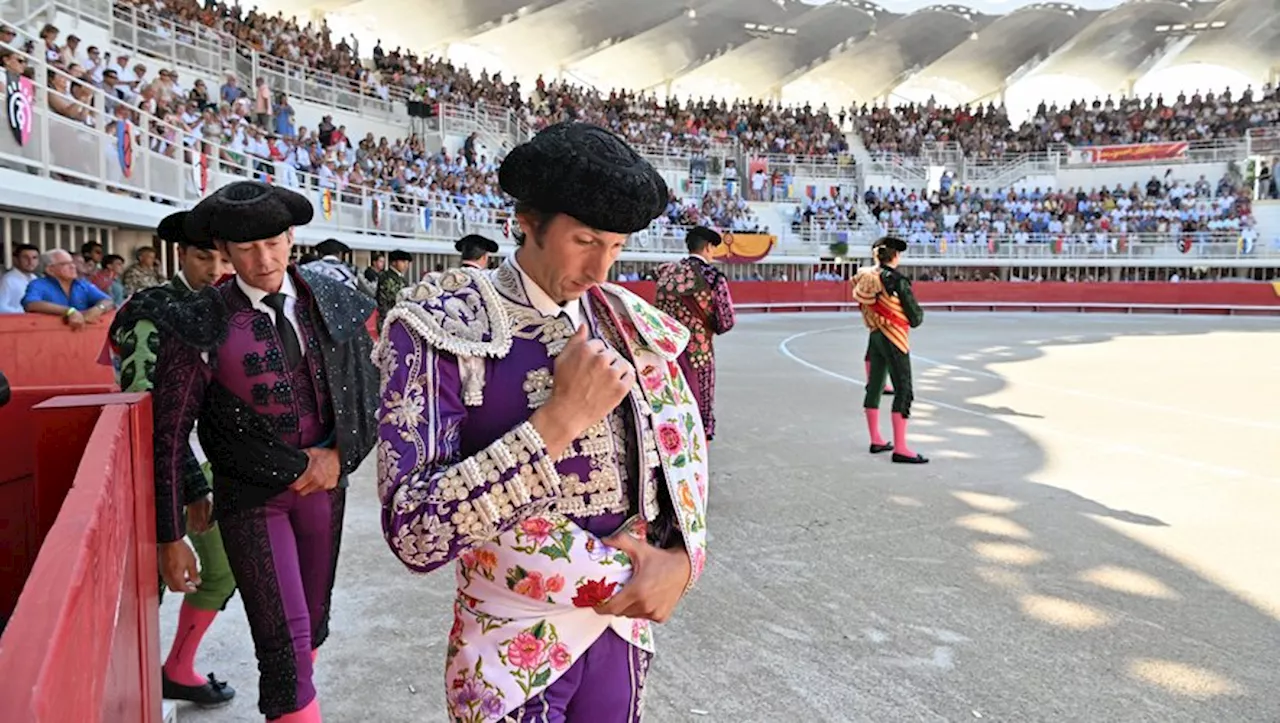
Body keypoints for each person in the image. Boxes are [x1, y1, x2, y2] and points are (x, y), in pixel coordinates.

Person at [375, 120, 711, 722]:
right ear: (526, 223)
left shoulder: (627, 319)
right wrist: (559, 420)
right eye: (585, 241)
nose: (602, 269)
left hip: (621, 630)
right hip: (508, 638)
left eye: (617, 246)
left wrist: (684, 562)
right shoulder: (440, 323)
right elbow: (415, 530)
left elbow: (680, 456)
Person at [149, 181, 380, 722]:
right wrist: (170, 535)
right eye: (246, 248)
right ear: (224, 252)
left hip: (324, 489)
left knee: (313, 623)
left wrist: (340, 458)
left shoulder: (332, 297)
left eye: (274, 242)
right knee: (282, 643)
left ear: (291, 237)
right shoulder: (200, 319)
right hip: (253, 497)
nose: (263, 259)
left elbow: (372, 390)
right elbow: (169, 431)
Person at [107, 211, 238, 707]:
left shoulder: (226, 307)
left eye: (224, 258)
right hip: (166, 469)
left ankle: (177, 668)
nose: (216, 269)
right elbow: (148, 412)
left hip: (209, 462)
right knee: (153, 587)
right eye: (205, 257)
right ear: (182, 256)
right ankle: (143, 688)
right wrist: (193, 484)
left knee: (221, 575)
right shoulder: (153, 312)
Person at [653, 225, 736, 440]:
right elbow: (725, 322)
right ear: (708, 247)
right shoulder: (712, 277)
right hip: (698, 352)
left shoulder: (665, 272)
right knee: (699, 404)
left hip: (666, 351)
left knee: (669, 403)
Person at [852, 236, 927, 464]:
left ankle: (876, 438)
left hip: (875, 335)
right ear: (895, 256)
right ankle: (901, 448)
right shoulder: (897, 280)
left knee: (874, 386)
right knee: (904, 389)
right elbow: (915, 318)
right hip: (894, 337)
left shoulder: (865, 276)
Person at [21, 248, 114, 327]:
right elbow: (31, 304)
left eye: (72, 263)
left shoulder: (82, 284)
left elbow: (109, 301)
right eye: (65, 264)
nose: (73, 266)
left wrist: (98, 309)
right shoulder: (38, 284)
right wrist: (69, 311)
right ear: (50, 270)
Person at [862, 238, 894, 397]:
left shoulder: (869, 273)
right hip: (884, 318)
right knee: (887, 352)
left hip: (874, 317)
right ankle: (877, 383)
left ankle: (873, 383)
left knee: (873, 351)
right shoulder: (884, 275)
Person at [375, 249, 411, 327]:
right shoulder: (387, 277)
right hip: (388, 317)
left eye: (407, 262)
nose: (406, 265)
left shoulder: (400, 278)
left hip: (397, 316)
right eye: (403, 262)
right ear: (394, 262)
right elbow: (392, 298)